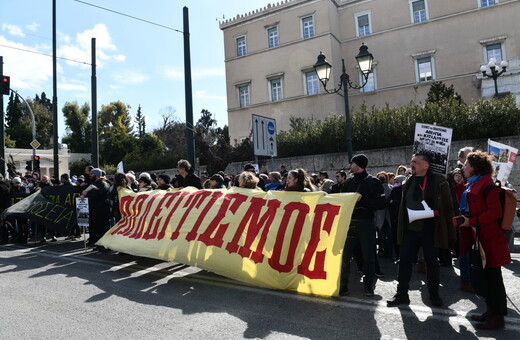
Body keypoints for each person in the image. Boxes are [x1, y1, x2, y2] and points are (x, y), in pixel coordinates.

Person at [387, 152, 454, 307]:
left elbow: (448, 207)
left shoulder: (439, 182)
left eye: (416, 162)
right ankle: (402, 294)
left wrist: (448, 230)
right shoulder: (409, 181)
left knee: (432, 263)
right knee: (404, 261)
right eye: (412, 161)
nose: (412, 164)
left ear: (426, 165)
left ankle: (434, 295)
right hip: (411, 230)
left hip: (430, 229)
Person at [457, 151, 511, 329]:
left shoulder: (487, 186)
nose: (463, 167)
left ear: (474, 168)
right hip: (480, 238)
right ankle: (491, 310)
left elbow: (494, 212)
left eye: (466, 165)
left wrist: (472, 221)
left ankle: (498, 317)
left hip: (490, 239)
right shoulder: (474, 184)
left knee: (493, 279)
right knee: (484, 279)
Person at [340, 154, 386, 296]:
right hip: (349, 224)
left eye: (352, 163)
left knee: (368, 256)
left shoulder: (373, 182)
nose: (350, 166)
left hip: (366, 223)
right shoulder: (347, 183)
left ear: (358, 165)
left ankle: (369, 285)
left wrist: (362, 199)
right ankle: (342, 286)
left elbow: (381, 203)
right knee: (345, 256)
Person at [81, 168, 110, 246]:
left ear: (96, 175)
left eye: (92, 174)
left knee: (101, 228)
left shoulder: (103, 183)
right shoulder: (95, 183)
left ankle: (103, 244)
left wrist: (87, 194)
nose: (90, 175)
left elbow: (101, 195)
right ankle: (95, 242)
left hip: (101, 210)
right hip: (95, 209)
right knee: (95, 227)